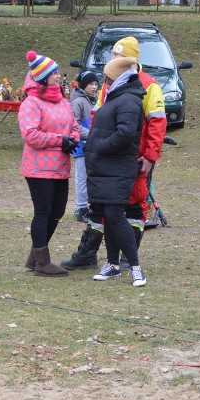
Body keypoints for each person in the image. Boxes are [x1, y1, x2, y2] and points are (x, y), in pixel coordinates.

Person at [61, 36, 166, 271]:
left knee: (134, 206)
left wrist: (149, 157)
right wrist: (95, 143)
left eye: (118, 56)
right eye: (113, 56)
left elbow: (157, 124)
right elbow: (96, 117)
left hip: (134, 158)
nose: (113, 60)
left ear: (131, 59)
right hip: (107, 157)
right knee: (98, 205)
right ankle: (88, 254)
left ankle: (129, 256)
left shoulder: (149, 85)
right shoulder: (110, 85)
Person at [17, 51, 80, 277]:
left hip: (60, 167)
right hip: (39, 169)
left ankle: (34, 257)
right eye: (53, 73)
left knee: (57, 211)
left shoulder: (62, 100)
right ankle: (42, 263)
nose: (57, 76)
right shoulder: (31, 103)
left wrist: (72, 139)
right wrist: (60, 140)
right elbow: (30, 135)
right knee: (42, 212)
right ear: (43, 77)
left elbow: (73, 124)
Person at [88, 56, 148, 287]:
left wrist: (99, 146)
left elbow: (125, 134)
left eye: (107, 78)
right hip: (106, 167)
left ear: (117, 77)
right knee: (109, 215)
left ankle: (135, 267)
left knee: (115, 215)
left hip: (117, 167)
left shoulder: (128, 101)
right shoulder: (117, 97)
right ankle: (112, 265)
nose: (104, 82)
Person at [70, 70, 99, 223]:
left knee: (93, 177)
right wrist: (91, 135)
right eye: (90, 84)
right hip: (81, 146)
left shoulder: (95, 100)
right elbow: (73, 124)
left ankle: (93, 206)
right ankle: (82, 208)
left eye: (96, 84)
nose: (94, 87)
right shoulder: (78, 102)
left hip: (95, 145)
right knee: (82, 178)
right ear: (83, 85)